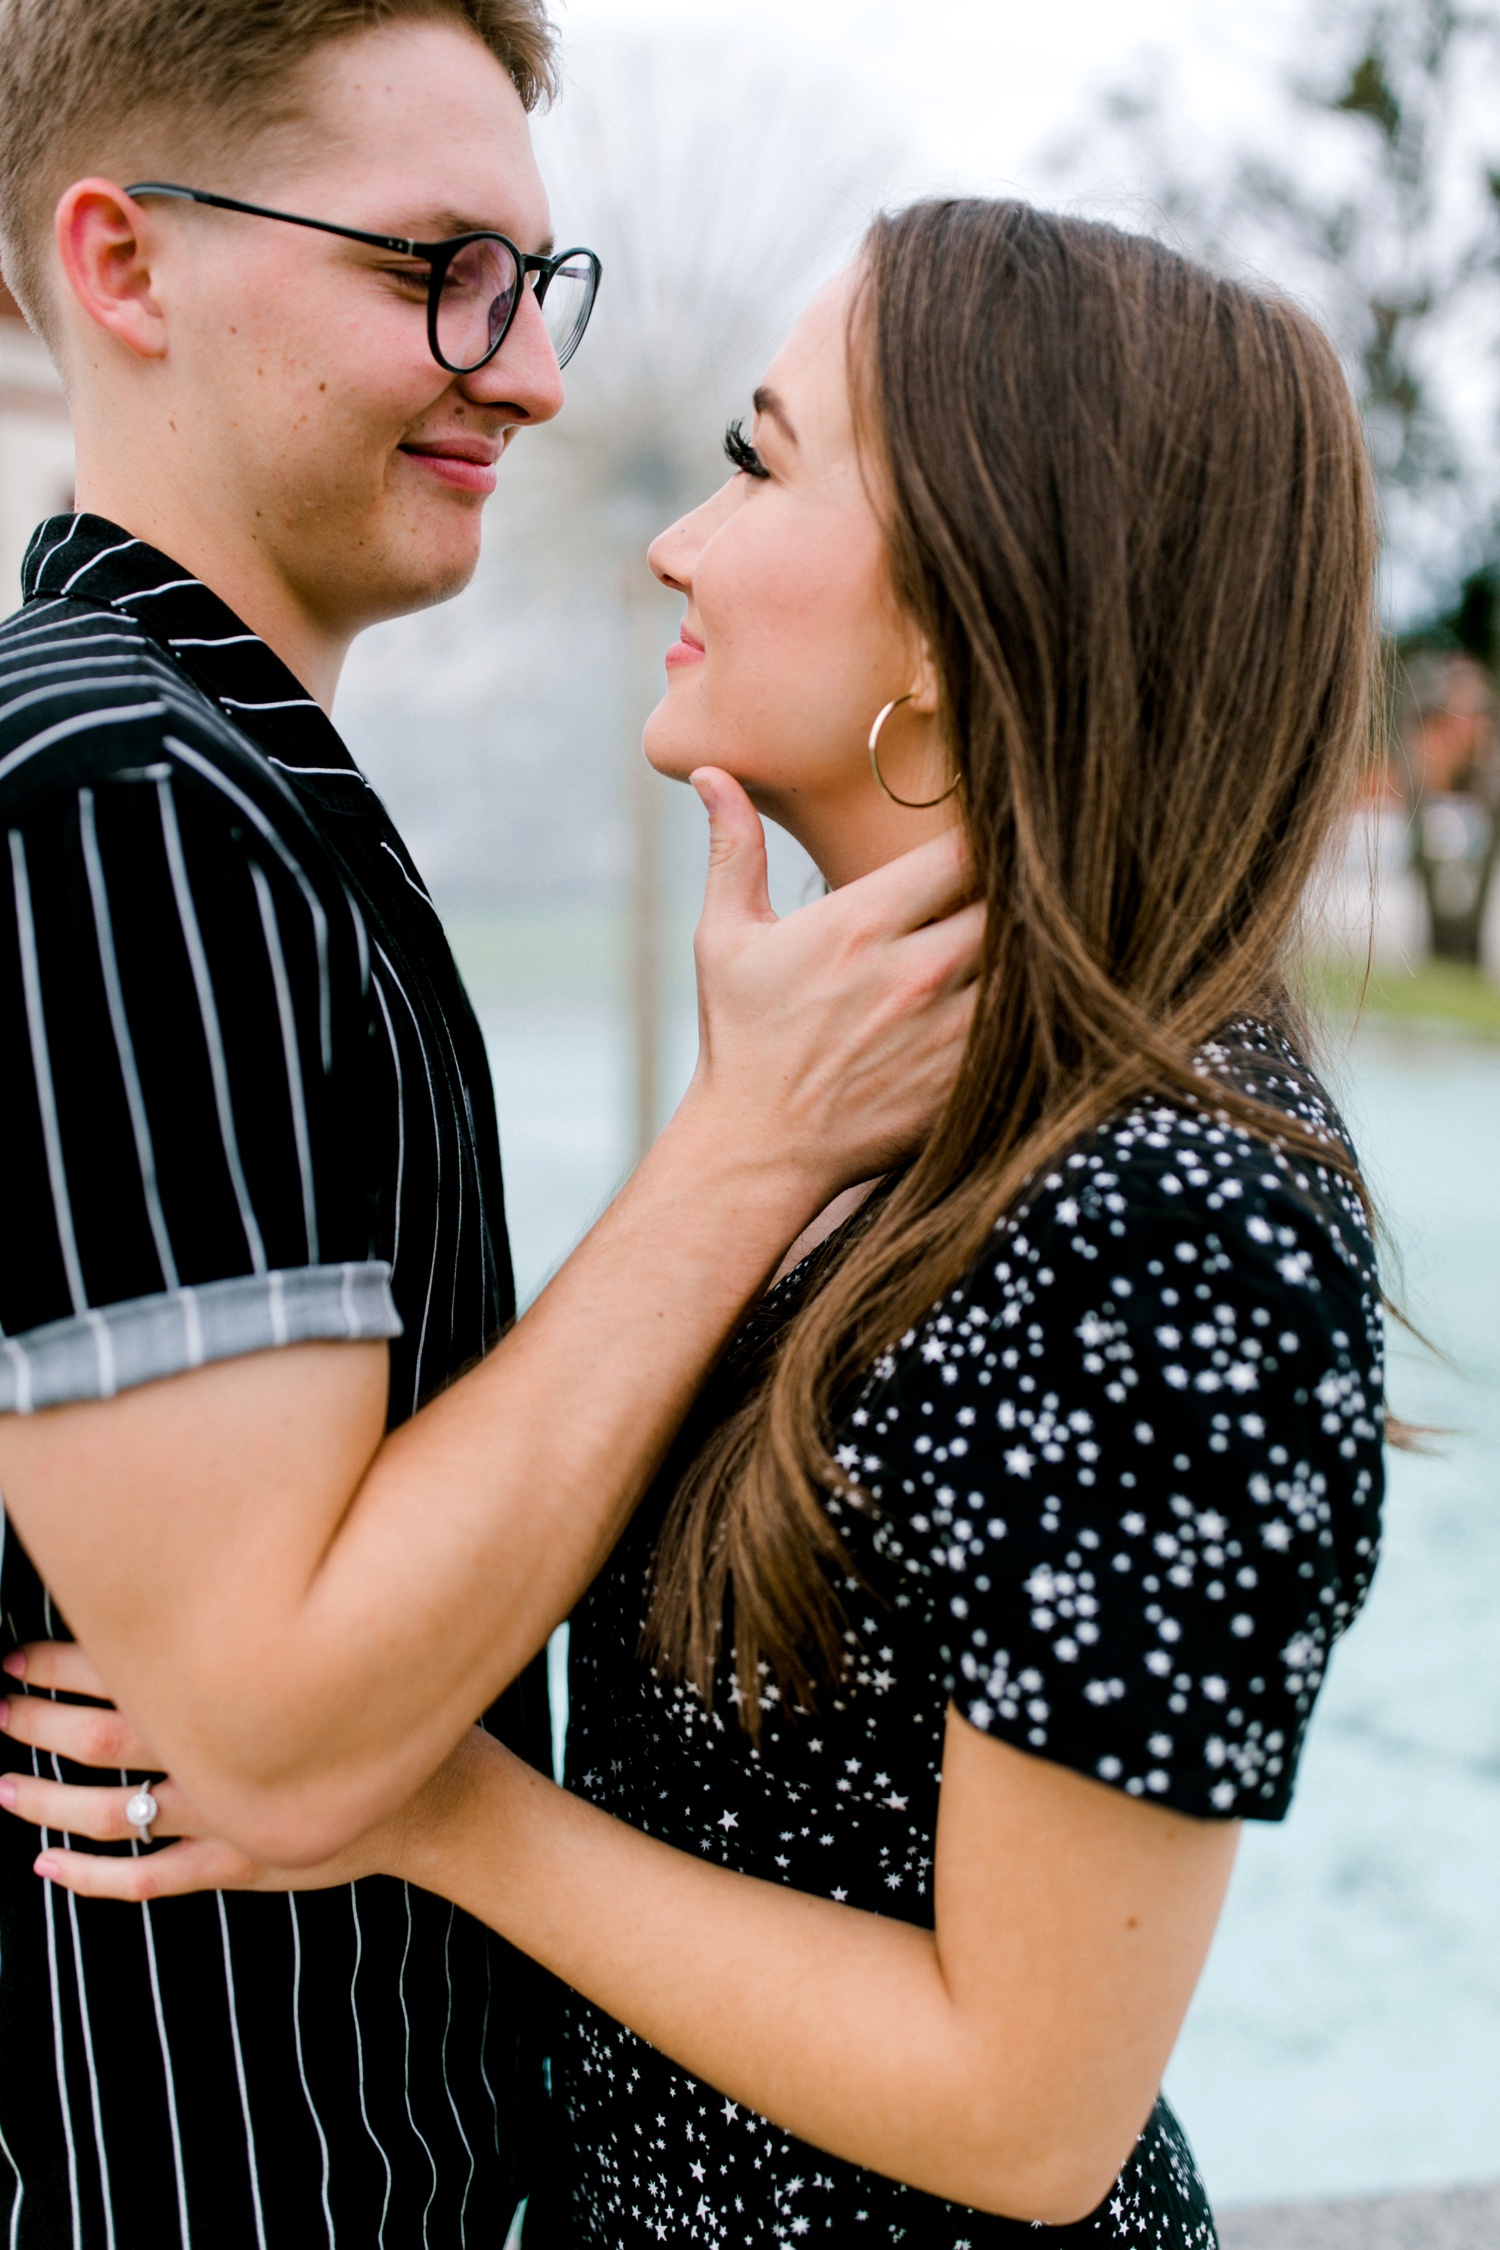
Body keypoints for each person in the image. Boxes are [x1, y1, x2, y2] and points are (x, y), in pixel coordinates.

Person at [3, 199, 1388, 2248]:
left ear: (951, 616)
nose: (675, 536)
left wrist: (435, 1805)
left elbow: (1030, 2109)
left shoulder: (1172, 1211)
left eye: (760, 463)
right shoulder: (879, 1098)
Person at [0, 3, 980, 2243]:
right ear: (126, 271)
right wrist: (747, 1148)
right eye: (431, 266)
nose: (528, 371)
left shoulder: (221, 794)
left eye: (538, 282)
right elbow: (268, 1734)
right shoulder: (121, 805)